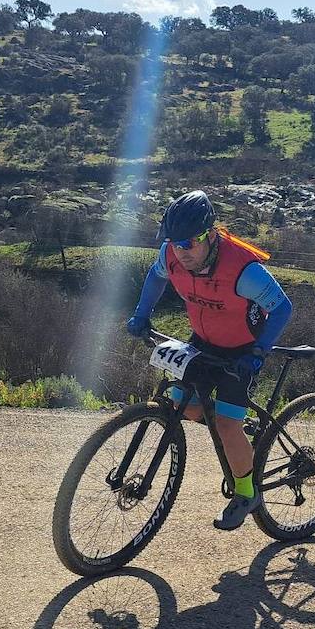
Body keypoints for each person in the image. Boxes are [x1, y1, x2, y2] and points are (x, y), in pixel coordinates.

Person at [126, 190, 292, 531]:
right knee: (181, 404)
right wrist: (142, 314)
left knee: (227, 425)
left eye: (190, 243)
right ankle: (242, 436)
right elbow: (157, 276)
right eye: (174, 243)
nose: (181, 251)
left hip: (241, 351)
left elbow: (283, 308)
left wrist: (258, 353)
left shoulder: (244, 270)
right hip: (203, 342)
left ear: (211, 236)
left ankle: (247, 493)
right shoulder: (170, 255)